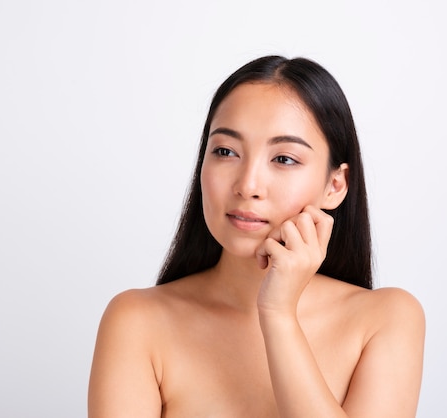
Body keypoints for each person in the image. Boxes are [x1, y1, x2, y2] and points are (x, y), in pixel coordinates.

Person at [88, 55, 425, 417]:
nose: (248, 185)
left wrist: (278, 315)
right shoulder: (137, 321)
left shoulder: (386, 318)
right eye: (225, 151)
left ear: (335, 185)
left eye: (283, 159)